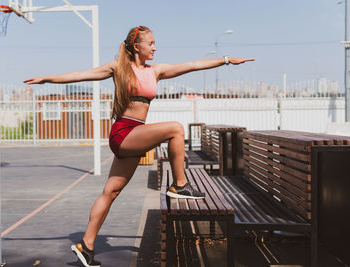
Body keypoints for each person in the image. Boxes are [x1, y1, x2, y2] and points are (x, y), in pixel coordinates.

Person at [24, 25, 254, 267]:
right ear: (136, 46)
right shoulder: (118, 68)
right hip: (124, 132)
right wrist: (46, 79)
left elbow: (194, 64)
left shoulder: (156, 71)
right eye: (151, 43)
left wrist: (227, 60)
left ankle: (86, 246)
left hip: (134, 136)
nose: (155, 47)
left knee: (111, 191)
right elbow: (80, 75)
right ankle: (179, 185)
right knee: (176, 128)